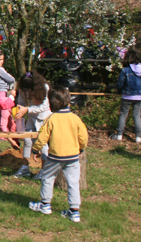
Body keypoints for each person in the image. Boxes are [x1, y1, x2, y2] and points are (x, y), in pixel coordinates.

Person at [28, 86, 88, 223]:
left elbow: (42, 137)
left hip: (55, 157)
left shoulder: (51, 119)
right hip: (73, 157)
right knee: (73, 183)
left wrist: (35, 150)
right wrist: (81, 148)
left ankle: (45, 205)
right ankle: (74, 211)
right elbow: (84, 136)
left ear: (51, 102)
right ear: (68, 100)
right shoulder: (75, 118)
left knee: (47, 178)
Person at [13, 71, 51, 178]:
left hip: (43, 117)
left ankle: (44, 170)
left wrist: (27, 109)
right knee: (27, 140)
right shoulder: (23, 88)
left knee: (42, 143)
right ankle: (25, 168)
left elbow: (43, 107)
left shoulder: (45, 88)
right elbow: (21, 102)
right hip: (31, 116)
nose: (26, 91)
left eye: (28, 89)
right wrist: (18, 110)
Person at [111, 48, 141, 144]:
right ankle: (138, 136)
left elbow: (120, 83)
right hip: (139, 96)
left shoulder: (125, 70)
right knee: (137, 116)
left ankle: (119, 135)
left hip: (127, 96)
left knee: (123, 115)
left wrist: (120, 90)